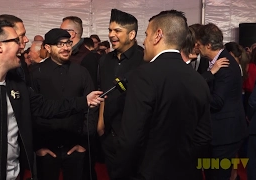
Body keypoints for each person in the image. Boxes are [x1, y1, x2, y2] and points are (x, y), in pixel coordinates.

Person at [0, 19, 104, 180]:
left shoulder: (16, 84)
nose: (23, 43)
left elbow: (46, 106)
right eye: (17, 40)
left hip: (14, 174)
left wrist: (84, 101)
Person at [112, 10, 211, 180]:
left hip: (149, 173)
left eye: (146, 34)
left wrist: (118, 174)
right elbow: (203, 138)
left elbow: (131, 137)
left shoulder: (143, 75)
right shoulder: (199, 80)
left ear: (157, 35)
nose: (144, 41)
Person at [31, 28, 97, 180]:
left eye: (68, 43)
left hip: (75, 147)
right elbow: (32, 111)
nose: (66, 48)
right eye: (60, 44)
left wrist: (83, 143)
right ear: (48, 47)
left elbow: (91, 108)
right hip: (46, 147)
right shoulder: (36, 73)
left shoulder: (81, 72)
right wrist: (38, 146)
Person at [97, 9, 145, 178]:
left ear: (131, 34)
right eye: (110, 30)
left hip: (137, 138)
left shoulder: (144, 59)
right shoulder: (104, 60)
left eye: (117, 31)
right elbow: (102, 93)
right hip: (109, 137)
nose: (111, 35)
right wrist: (100, 124)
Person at [196, 23, 247, 180]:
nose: (196, 46)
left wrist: (194, 95)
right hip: (220, 133)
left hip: (225, 134)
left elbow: (217, 101)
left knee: (218, 175)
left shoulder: (225, 65)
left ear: (209, 45)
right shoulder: (215, 62)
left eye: (198, 43)